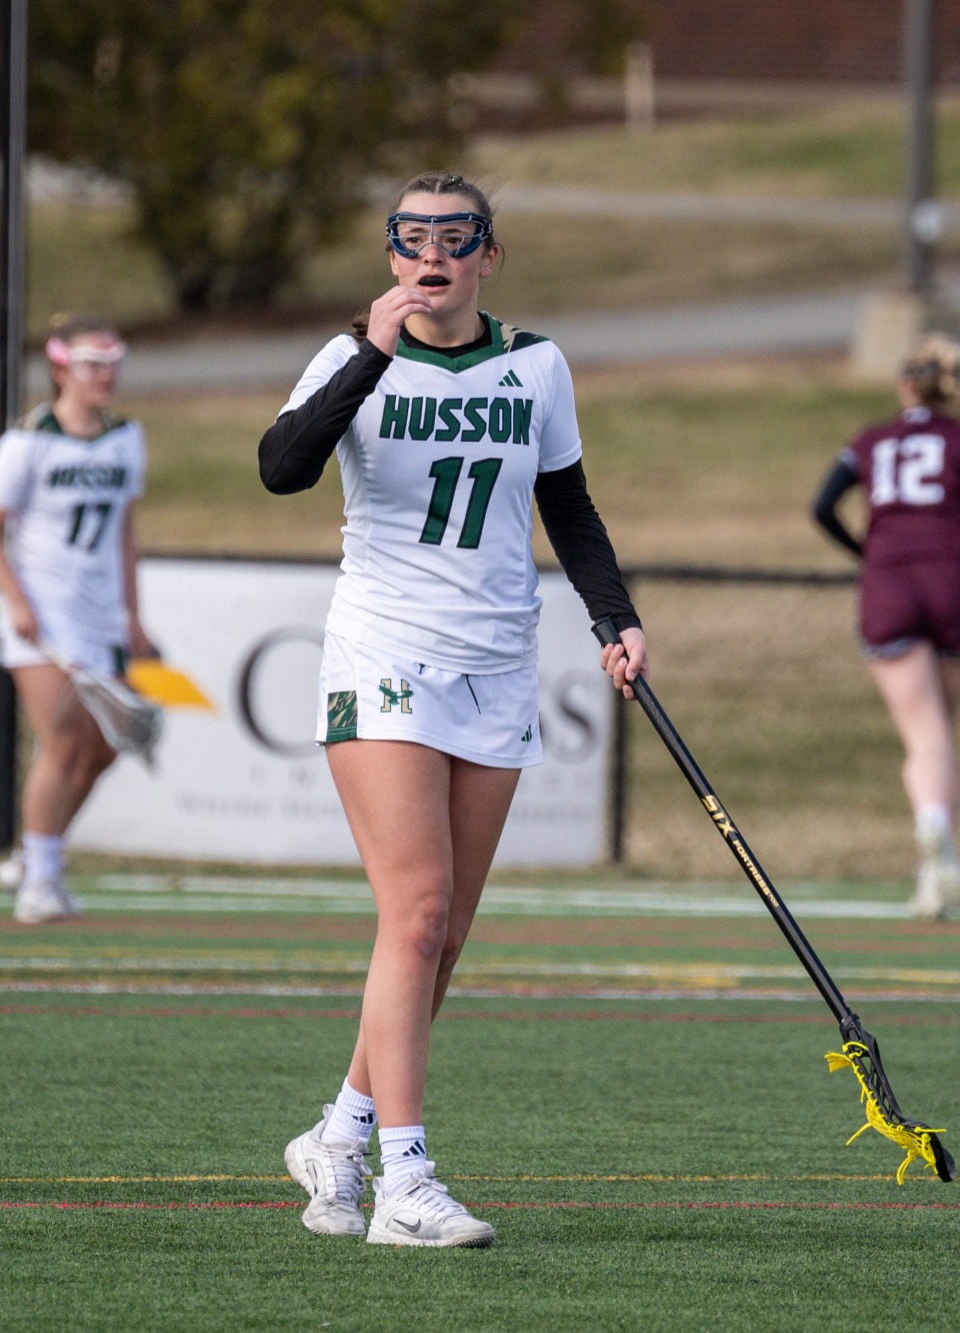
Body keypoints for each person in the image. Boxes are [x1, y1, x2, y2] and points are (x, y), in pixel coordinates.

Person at [259, 171, 645, 1249]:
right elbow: (281, 468)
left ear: (486, 255)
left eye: (453, 236)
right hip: (383, 654)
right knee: (417, 913)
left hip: (496, 661)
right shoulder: (350, 356)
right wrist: (374, 356)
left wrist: (613, 616)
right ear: (390, 257)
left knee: (444, 934)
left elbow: (564, 500)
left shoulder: (534, 363)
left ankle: (340, 1129)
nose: (430, 253)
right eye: (409, 236)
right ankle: (405, 1181)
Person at [810, 335, 960, 920]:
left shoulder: (872, 439)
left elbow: (820, 506)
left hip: (890, 581)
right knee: (939, 736)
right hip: (955, 576)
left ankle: (934, 854)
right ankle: (936, 857)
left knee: (924, 737)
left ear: (906, 384)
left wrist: (866, 552)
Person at [0, 313, 152, 925]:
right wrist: (15, 601)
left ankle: (34, 852)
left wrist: (133, 616)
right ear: (60, 369)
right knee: (65, 739)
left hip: (101, 618)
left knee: (104, 751)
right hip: (42, 620)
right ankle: (40, 881)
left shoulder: (126, 437)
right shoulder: (29, 441)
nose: (105, 375)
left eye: (111, 361)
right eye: (90, 364)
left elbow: (124, 531)